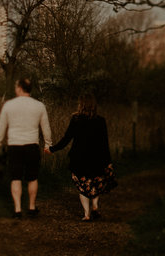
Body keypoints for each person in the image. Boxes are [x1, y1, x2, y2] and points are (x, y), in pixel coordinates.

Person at [45, 92, 116, 221]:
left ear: (81, 104)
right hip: (97, 158)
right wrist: (108, 161)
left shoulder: (76, 119)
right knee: (95, 182)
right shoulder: (101, 121)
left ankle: (87, 214)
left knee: (83, 187)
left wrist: (52, 149)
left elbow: (66, 139)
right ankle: (95, 206)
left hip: (79, 159)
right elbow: (105, 143)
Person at [0, 77, 52, 219]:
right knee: (32, 178)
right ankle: (32, 207)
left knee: (16, 178)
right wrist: (48, 144)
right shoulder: (39, 106)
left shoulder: (9, 105)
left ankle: (18, 210)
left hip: (15, 146)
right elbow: (46, 128)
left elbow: (1, 128)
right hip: (32, 145)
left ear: (19, 88)